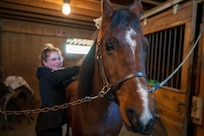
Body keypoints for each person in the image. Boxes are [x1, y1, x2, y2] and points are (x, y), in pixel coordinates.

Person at [35, 43, 80, 136]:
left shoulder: (55, 77)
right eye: (53, 59)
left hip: (55, 124)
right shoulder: (46, 75)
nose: (58, 62)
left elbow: (67, 81)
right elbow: (62, 74)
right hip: (47, 127)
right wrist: (83, 67)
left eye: (59, 58)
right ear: (44, 62)